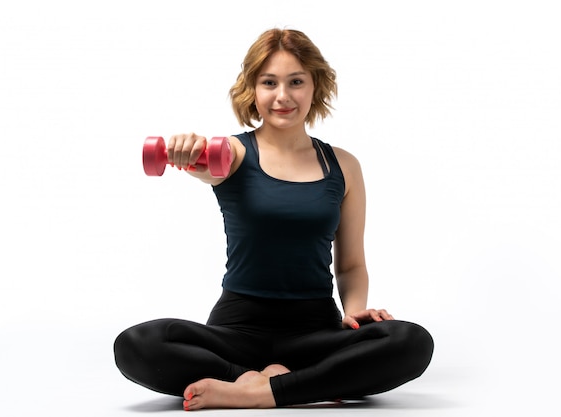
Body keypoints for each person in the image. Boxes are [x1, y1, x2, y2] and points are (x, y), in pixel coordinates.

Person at [114, 28, 434, 411]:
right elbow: (205, 165)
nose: (282, 96)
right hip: (236, 331)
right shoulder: (230, 153)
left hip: (315, 332)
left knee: (411, 341)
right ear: (253, 89)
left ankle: (255, 391)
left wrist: (354, 312)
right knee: (136, 344)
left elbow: (350, 264)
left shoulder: (344, 166)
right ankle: (267, 380)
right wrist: (185, 152)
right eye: (269, 83)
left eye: (296, 82)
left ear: (316, 86)